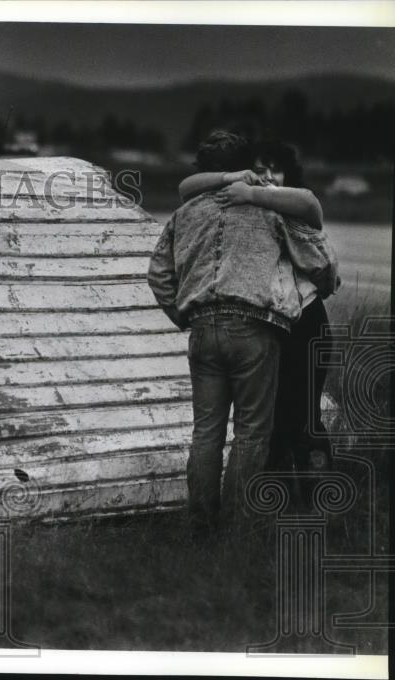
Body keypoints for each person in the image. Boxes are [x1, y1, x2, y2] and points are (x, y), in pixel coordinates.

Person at [147, 130, 339, 535]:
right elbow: (318, 257)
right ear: (245, 167)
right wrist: (323, 283)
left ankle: (201, 526)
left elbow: (159, 274)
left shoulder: (184, 214)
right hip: (254, 327)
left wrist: (183, 315)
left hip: (202, 330)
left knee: (206, 434)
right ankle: (238, 528)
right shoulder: (269, 209)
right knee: (252, 432)